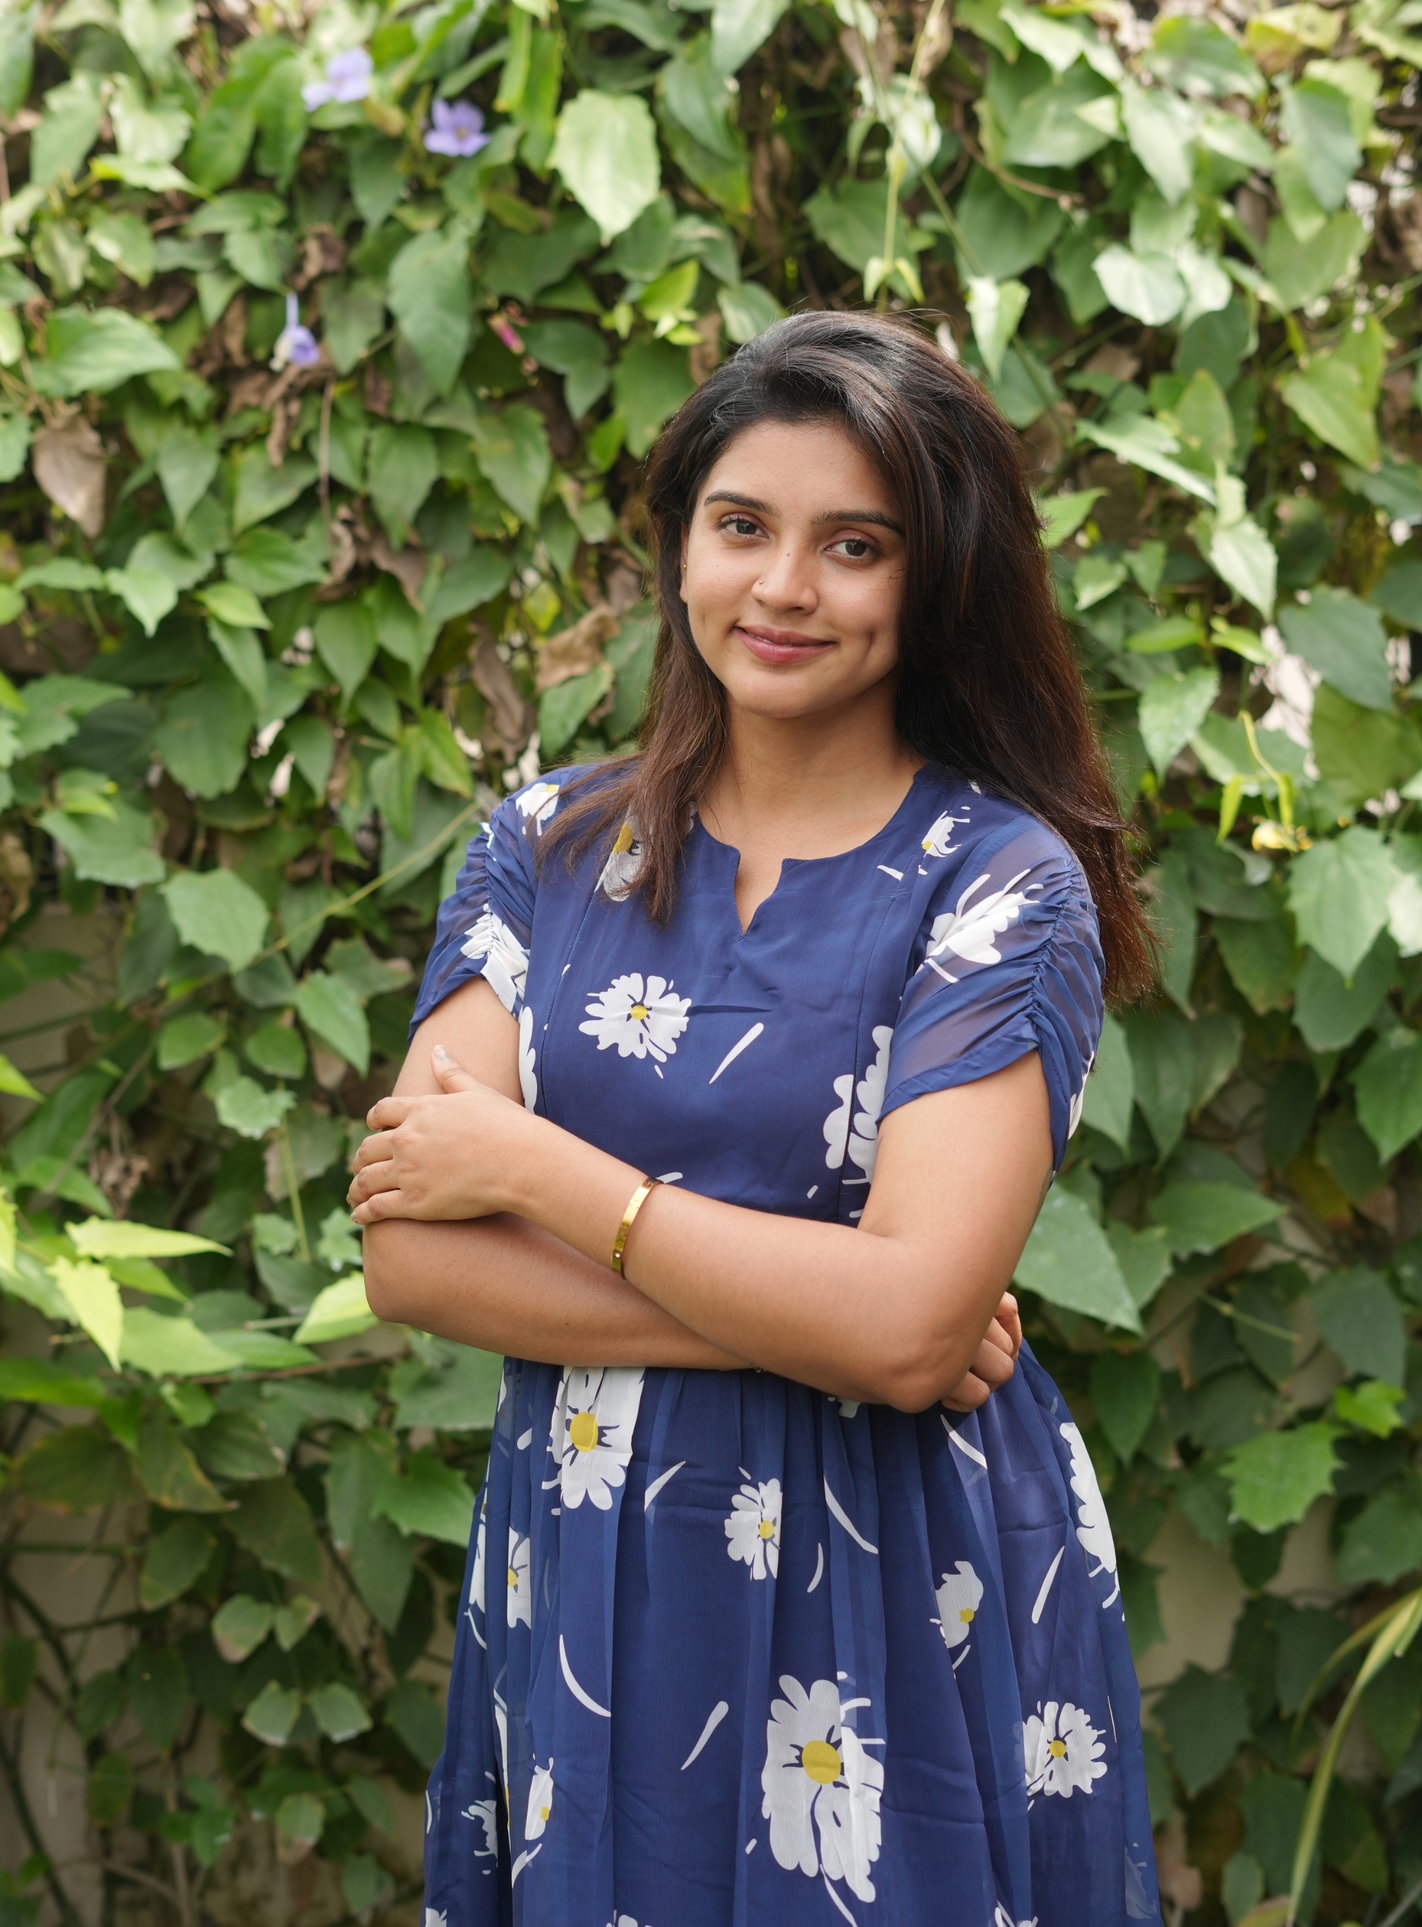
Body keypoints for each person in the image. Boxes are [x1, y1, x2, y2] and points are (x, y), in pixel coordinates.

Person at [349, 309, 1162, 1927]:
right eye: (742, 526)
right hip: (591, 1565)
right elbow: (417, 1265)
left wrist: (539, 1169)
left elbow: (916, 1330)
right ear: (681, 549)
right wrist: (832, 1314)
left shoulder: (1000, 889)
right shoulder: (543, 846)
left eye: (853, 544)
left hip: (893, 1583)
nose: (783, 587)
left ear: (937, 577)